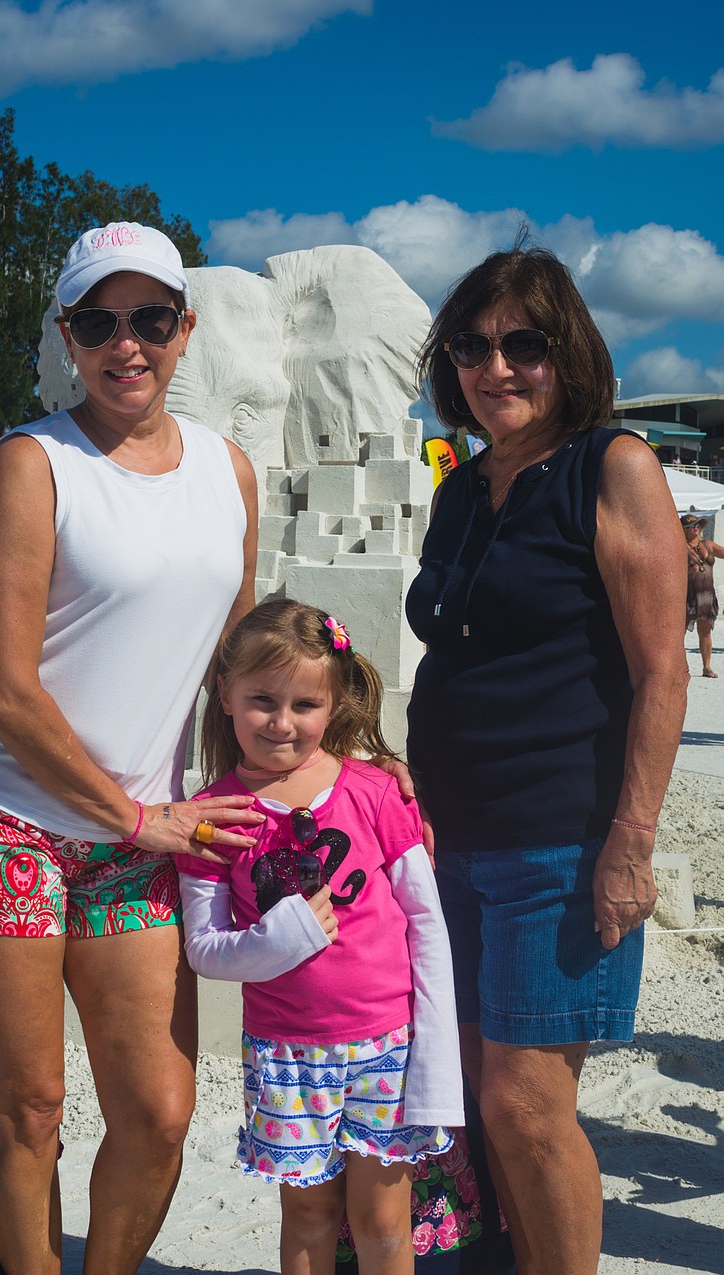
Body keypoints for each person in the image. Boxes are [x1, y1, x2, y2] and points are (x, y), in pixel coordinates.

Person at [0, 221, 263, 1275]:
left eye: (149, 318)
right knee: (33, 1104)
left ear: (184, 331)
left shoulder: (227, 473)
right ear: (67, 334)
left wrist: (297, 784)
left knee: (157, 1109)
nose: (125, 343)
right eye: (98, 320)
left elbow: (233, 664)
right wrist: (140, 818)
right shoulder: (31, 459)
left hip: (136, 824)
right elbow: (4, 690)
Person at [405, 243, 688, 1275]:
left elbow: (662, 672)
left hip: (560, 843)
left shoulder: (609, 467)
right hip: (446, 843)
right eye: (473, 346)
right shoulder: (461, 486)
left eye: (523, 342)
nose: (498, 366)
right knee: (474, 1101)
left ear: (564, 351)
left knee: (526, 1106)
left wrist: (630, 841)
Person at [176, 599, 464, 1275]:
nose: (282, 722)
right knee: (307, 1218)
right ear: (224, 695)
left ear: (333, 703)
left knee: (384, 1221)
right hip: (285, 1054)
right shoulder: (213, 816)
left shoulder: (373, 791)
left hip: (387, 1047)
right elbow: (205, 949)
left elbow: (426, 920)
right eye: (262, 700)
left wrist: (436, 1052)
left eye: (305, 703)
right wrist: (290, 932)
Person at [682, 514, 723, 678]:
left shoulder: (708, 544)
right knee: (679, 634)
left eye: (698, 525)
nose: (696, 528)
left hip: (707, 596)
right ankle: (678, 667)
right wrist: (687, 571)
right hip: (687, 596)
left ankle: (706, 668)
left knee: (705, 632)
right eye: (692, 526)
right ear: (684, 529)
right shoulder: (679, 546)